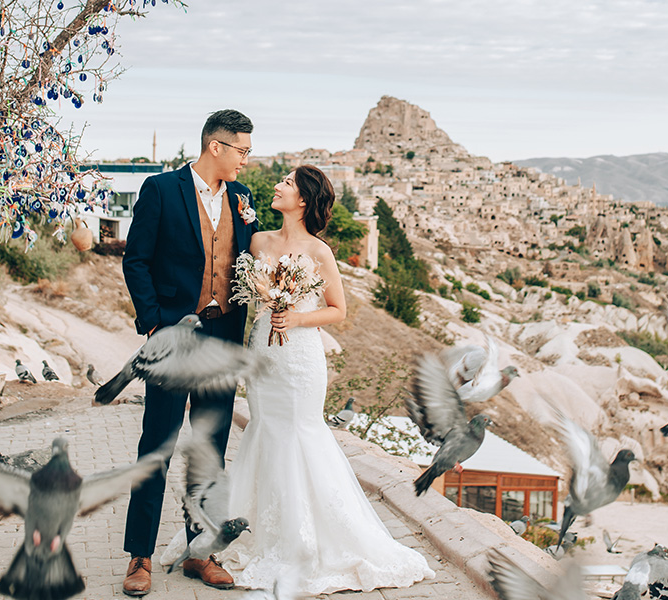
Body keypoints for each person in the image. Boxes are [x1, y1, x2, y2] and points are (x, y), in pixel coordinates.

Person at [162, 165, 434, 593]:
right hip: (262, 350)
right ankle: (246, 531)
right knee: (265, 430)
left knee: (301, 433)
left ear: (303, 199)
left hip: (301, 356)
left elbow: (338, 310)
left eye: (286, 182)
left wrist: (298, 316)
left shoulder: (319, 251)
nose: (277, 185)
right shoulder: (258, 241)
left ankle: (305, 539)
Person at [118, 109, 258, 597]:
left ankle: (203, 551)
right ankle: (140, 556)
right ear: (215, 146)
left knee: (211, 451)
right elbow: (135, 261)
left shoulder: (243, 198)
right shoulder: (160, 190)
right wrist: (155, 323)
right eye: (242, 149)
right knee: (156, 445)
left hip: (222, 340)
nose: (246, 159)